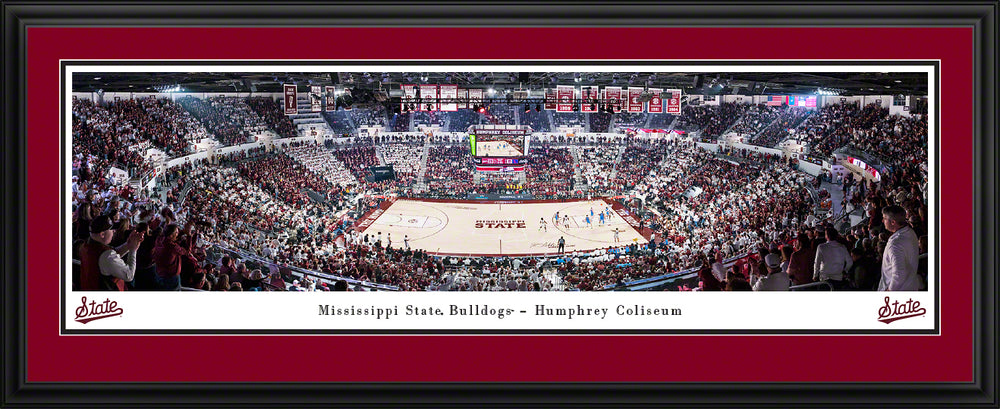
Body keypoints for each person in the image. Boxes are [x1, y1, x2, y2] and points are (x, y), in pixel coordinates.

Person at [78, 215, 143, 291]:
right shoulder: (106, 256)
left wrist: (128, 244)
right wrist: (133, 250)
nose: (114, 231)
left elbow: (113, 255)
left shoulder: (85, 246)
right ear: (102, 234)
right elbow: (129, 276)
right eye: (112, 229)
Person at [878, 205, 922, 291]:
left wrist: (890, 290)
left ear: (893, 222)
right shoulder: (910, 232)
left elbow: (899, 274)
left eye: (884, 218)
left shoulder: (895, 244)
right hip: (910, 286)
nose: (882, 221)